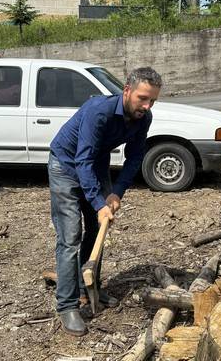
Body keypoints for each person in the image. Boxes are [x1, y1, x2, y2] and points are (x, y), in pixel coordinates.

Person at [48, 67, 162, 336]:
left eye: (152, 101)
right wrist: (98, 203)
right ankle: (67, 305)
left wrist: (115, 194)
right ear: (127, 91)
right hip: (65, 165)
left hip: (95, 165)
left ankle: (89, 286)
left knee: (97, 229)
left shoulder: (143, 118)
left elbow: (134, 158)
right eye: (143, 98)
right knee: (70, 237)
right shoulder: (98, 111)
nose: (146, 106)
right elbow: (81, 159)